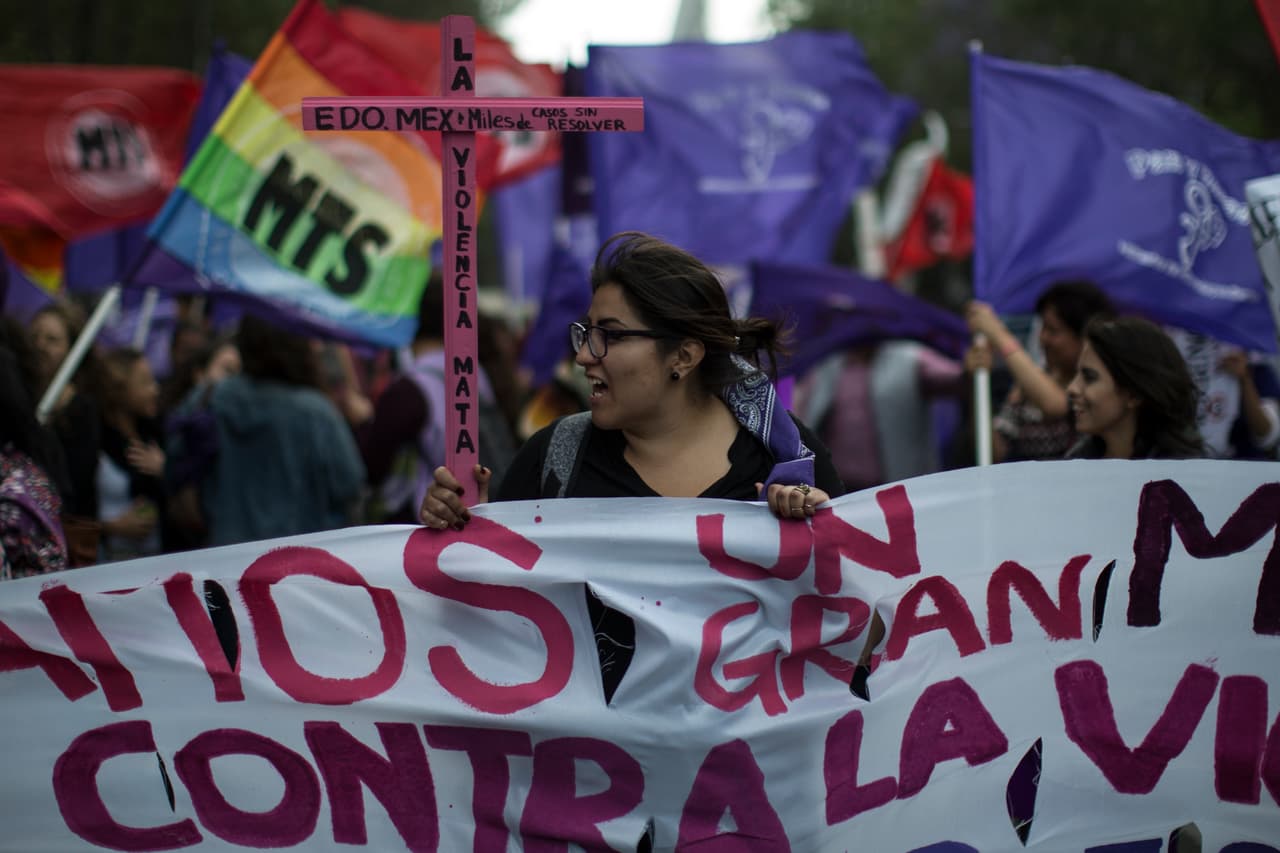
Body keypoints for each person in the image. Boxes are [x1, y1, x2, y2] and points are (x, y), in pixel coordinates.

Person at [419, 232, 844, 702]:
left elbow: (857, 626)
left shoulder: (791, 460)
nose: (584, 356)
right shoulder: (554, 459)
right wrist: (467, 534)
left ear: (683, 356)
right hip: (591, 749)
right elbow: (487, 623)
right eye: (586, 333)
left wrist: (821, 535)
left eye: (611, 336)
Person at [355, 280, 519, 523]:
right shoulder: (478, 374)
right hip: (479, 514)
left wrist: (359, 419)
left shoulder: (409, 390)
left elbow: (370, 468)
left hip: (430, 522)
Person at [199, 314, 364, 546]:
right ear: (296, 345)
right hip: (298, 555)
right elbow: (350, 482)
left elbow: (179, 470)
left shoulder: (211, 397)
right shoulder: (316, 413)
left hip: (224, 552)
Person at [966, 281, 1114, 461]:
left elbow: (1057, 405)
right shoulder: (1026, 387)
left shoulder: (1099, 384)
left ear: (1083, 337)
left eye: (1053, 330)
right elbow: (997, 452)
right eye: (1042, 327)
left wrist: (998, 335)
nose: (1043, 338)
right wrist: (976, 383)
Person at [1065, 316, 1205, 460]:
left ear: (1133, 395)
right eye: (1077, 375)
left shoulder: (1187, 470)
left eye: (1089, 378)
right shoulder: (1075, 463)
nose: (1072, 388)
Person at [0, 317, 69, 579]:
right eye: (37, 336)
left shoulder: (17, 498)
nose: (43, 345)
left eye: (53, 339)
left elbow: (42, 591)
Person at [92, 347, 167, 562]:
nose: (155, 389)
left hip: (157, 559)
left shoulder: (155, 436)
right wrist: (112, 527)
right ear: (119, 389)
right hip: (109, 562)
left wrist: (165, 470)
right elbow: (72, 514)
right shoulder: (94, 442)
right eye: (145, 382)